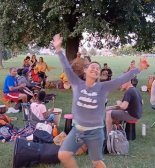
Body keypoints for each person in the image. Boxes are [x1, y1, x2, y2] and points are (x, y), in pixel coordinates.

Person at [53, 34, 149, 168]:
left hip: (96, 132)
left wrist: (139, 68)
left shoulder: (103, 87)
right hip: (77, 130)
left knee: (96, 162)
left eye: (98, 69)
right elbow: (67, 67)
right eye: (92, 66)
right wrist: (58, 49)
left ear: (98, 74)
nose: (95, 69)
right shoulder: (76, 83)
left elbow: (120, 80)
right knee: (63, 154)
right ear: (85, 70)